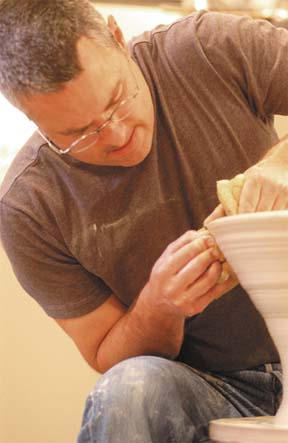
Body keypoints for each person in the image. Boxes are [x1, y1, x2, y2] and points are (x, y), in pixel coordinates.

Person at [0, 1, 287, 442]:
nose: (116, 137)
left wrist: (282, 163)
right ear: (30, 117)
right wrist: (161, 304)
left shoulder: (206, 48)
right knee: (129, 391)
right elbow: (106, 353)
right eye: (78, 134)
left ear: (118, 40)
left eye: (116, 100)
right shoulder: (30, 208)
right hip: (217, 385)